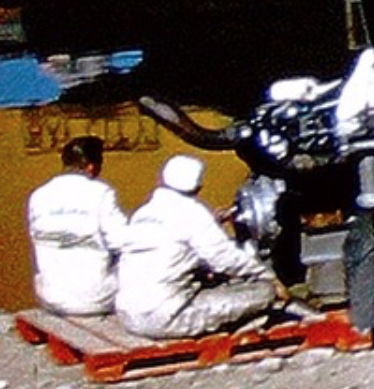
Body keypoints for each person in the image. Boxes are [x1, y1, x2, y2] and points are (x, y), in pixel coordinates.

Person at [112, 153, 276, 341]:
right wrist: (268, 277)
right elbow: (225, 259)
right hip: (167, 318)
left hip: (129, 316)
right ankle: (239, 332)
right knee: (264, 292)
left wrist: (212, 223)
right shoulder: (194, 213)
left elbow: (172, 243)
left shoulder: (144, 212)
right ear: (198, 187)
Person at [26, 134, 123, 318]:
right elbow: (121, 242)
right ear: (91, 167)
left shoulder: (39, 195)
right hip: (96, 300)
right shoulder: (101, 193)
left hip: (51, 298)